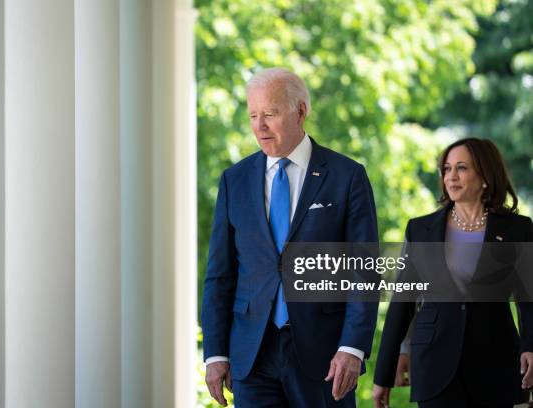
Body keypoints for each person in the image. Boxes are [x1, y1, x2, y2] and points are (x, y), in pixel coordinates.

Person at [201, 67, 379, 408]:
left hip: (325, 357)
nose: (259, 126)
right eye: (253, 115)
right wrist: (215, 353)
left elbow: (365, 272)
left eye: (270, 114)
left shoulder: (347, 177)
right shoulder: (234, 180)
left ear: (300, 112)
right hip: (252, 355)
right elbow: (219, 274)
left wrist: (352, 347)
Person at [372, 138, 533, 408]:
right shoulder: (420, 230)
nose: (451, 177)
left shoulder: (519, 229)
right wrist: (383, 374)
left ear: (484, 175)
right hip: (434, 365)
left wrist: (530, 346)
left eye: (461, 168)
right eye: (446, 169)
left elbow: (528, 299)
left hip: (497, 365)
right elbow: (402, 303)